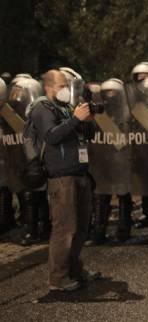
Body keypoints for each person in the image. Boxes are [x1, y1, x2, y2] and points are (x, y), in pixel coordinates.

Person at [28, 70, 98, 291]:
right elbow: (51, 136)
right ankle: (58, 278)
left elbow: (90, 135)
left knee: (81, 228)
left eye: (66, 84)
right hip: (61, 177)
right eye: (60, 85)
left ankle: (74, 269)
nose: (65, 89)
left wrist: (88, 120)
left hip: (80, 173)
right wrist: (75, 119)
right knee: (64, 229)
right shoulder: (42, 109)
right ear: (48, 87)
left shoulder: (68, 108)